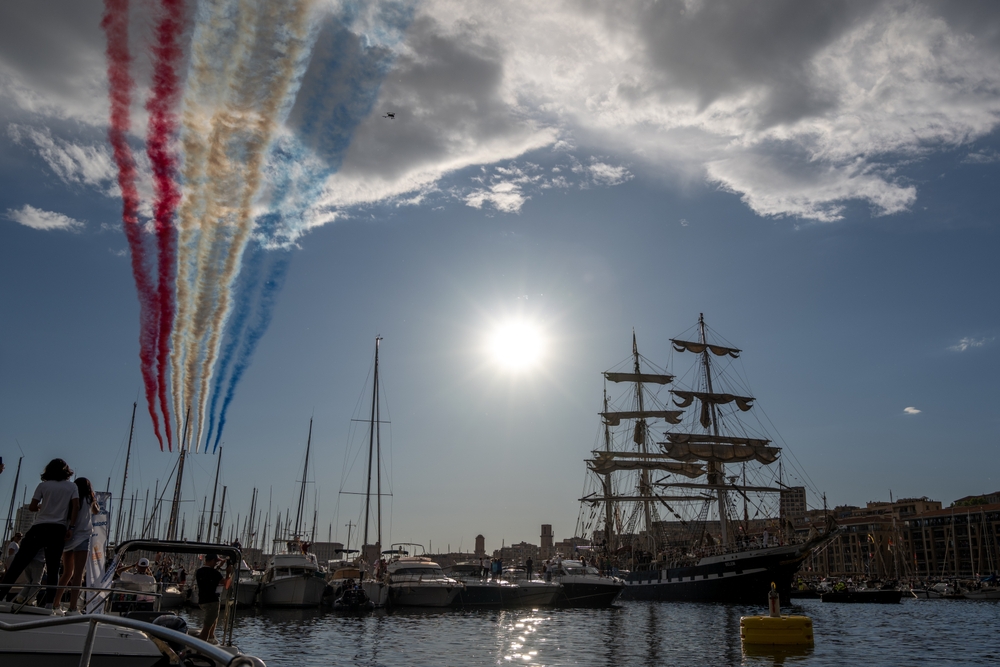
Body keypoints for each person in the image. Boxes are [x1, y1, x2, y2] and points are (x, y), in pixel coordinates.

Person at [0, 458, 80, 609]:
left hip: (39, 527)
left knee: (18, 563)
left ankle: (1, 595)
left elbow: (32, 507)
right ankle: (50, 603)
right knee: (53, 567)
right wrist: (72, 528)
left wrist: (42, 508)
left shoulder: (43, 486)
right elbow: (75, 507)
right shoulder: (72, 487)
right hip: (58, 528)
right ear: (66, 471)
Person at [55, 477, 99, 614]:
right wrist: (94, 498)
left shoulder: (71, 499)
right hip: (83, 537)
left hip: (68, 537)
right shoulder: (89, 499)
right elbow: (96, 511)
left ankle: (55, 603)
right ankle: (73, 607)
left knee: (67, 573)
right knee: (78, 574)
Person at [196, 553, 233, 644]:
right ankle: (200, 650)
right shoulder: (215, 573)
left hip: (202, 601)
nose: (217, 563)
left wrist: (219, 567)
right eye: (216, 562)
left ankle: (211, 637)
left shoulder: (199, 571)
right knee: (207, 626)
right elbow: (227, 585)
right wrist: (228, 573)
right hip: (212, 601)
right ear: (212, 561)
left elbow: (209, 575)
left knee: (214, 618)